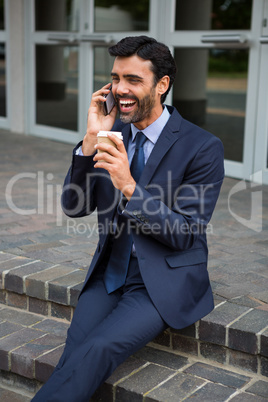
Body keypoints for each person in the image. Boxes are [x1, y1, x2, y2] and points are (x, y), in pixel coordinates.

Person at [32, 35, 224, 401]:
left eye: (133, 80)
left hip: (161, 279)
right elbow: (75, 206)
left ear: (162, 84)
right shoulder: (110, 132)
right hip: (110, 273)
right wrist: (90, 141)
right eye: (116, 78)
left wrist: (130, 186)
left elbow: (186, 233)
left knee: (99, 348)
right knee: (75, 351)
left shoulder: (202, 148)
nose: (120, 89)